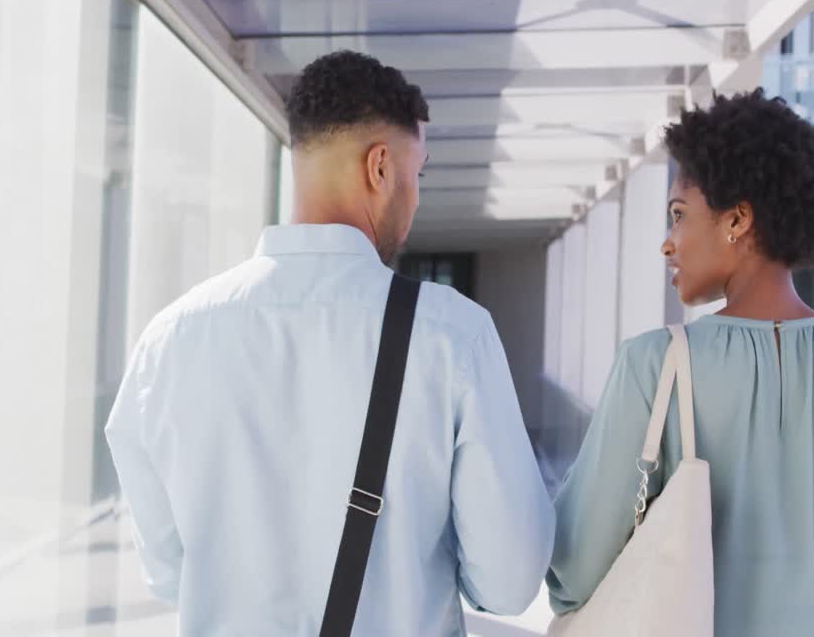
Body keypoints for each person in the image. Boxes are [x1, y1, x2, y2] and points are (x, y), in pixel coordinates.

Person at [106, 50, 554, 635]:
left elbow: (168, 574)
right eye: (417, 174)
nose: (415, 199)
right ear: (380, 168)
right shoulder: (451, 335)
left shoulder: (171, 338)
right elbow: (510, 579)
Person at [546, 89, 814, 635]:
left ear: (738, 220)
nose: (667, 243)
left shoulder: (654, 365)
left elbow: (573, 570)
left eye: (679, 215)